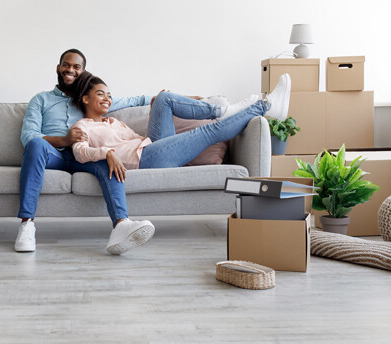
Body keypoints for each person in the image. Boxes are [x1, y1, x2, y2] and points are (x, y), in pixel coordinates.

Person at [16, 49, 157, 255]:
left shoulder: (88, 98)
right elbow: (29, 136)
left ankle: (121, 225)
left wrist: (163, 98)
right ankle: (26, 225)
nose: (70, 70)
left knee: (108, 159)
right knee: (36, 144)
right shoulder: (41, 99)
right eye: (66, 65)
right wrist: (65, 140)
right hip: (52, 154)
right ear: (58, 68)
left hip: (83, 154)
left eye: (76, 67)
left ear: (83, 71)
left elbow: (132, 100)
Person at [70, 73, 291, 178]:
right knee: (208, 131)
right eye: (100, 94)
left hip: (150, 147)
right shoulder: (82, 126)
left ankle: (222, 111)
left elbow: (139, 137)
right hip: (144, 160)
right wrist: (106, 153)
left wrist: (157, 114)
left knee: (164, 98)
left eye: (109, 95)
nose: (107, 99)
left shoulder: (114, 121)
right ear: (85, 99)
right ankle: (266, 106)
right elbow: (79, 153)